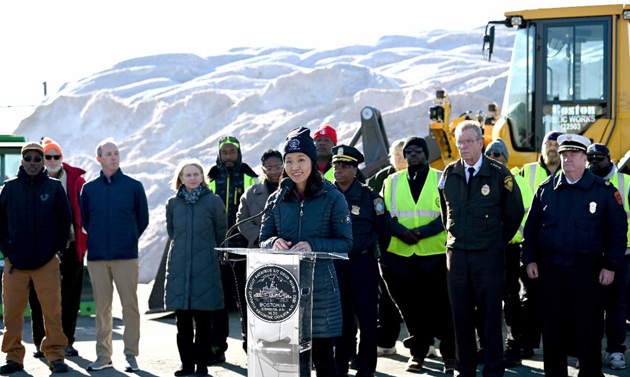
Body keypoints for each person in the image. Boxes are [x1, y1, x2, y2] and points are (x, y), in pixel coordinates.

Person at [523, 134, 627, 377]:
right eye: (563, 155)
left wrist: (611, 266)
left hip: (587, 272)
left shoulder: (603, 192)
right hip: (552, 272)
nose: (567, 159)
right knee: (553, 331)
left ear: (584, 158)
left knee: (588, 330)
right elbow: (531, 229)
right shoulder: (546, 190)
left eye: (573, 155)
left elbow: (617, 233)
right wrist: (529, 259)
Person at [260, 126, 353, 377]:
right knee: (290, 362)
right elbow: (263, 239)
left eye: (301, 159)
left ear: (312, 162)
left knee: (323, 360)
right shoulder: (277, 198)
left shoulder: (332, 196)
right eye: (288, 161)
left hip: (320, 289)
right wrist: (273, 243)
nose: (294, 166)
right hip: (284, 289)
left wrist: (313, 245)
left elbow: (345, 242)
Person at [439, 121, 524, 377]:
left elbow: (514, 213)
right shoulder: (449, 172)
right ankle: (465, 369)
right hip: (458, 255)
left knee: (490, 316)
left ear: (480, 143)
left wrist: (494, 239)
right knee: (461, 316)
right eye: (459, 142)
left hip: (488, 255)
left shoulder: (500, 174)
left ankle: (493, 369)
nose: (463, 147)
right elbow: (447, 213)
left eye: (467, 142)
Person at [380, 136, 456, 374]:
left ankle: (450, 356)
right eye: (408, 151)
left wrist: (421, 232)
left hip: (433, 255)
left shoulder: (441, 178)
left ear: (426, 154)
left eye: (418, 151)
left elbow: (449, 214)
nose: (413, 154)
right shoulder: (391, 181)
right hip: (400, 256)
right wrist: (401, 232)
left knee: (442, 308)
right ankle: (418, 353)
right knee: (411, 310)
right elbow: (383, 215)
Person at [0, 143, 72, 374]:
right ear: (22, 161)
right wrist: (7, 252)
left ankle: (56, 356)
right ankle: (13, 357)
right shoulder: (9, 189)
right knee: (11, 313)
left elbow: (65, 222)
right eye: (28, 159)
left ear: (43, 162)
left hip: (46, 262)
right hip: (15, 264)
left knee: (52, 312)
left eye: (37, 159)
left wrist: (56, 252)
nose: (32, 163)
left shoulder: (53, 188)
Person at [80, 138, 149, 372]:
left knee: (130, 306)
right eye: (108, 154)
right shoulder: (88, 189)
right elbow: (86, 221)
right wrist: (100, 239)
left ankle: (131, 354)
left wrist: (127, 238)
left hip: (126, 256)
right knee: (102, 308)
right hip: (98, 257)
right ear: (98, 158)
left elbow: (142, 219)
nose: (114, 157)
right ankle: (103, 356)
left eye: (116, 153)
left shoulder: (134, 186)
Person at [331, 145, 392, 377]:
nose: (339, 170)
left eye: (345, 166)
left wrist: (369, 252)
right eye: (336, 165)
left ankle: (366, 369)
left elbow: (384, 231)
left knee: (367, 319)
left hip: (363, 265)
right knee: (340, 320)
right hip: (335, 265)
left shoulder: (371, 198)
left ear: (355, 169)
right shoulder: (326, 195)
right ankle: (341, 367)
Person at [165, 159, 227, 376]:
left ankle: (201, 366)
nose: (192, 178)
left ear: (202, 177)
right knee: (182, 322)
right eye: (187, 175)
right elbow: (173, 232)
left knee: (203, 321)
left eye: (196, 174)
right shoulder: (173, 204)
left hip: (205, 268)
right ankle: (186, 365)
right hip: (179, 270)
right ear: (180, 178)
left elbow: (221, 233)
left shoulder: (213, 201)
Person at [28, 137, 87, 359]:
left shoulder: (76, 181)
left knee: (70, 297)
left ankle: (67, 342)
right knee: (39, 297)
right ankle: (40, 342)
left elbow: (86, 214)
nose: (52, 160)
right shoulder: (32, 181)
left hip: (71, 247)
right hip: (41, 250)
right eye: (47, 156)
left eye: (56, 156)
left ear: (62, 159)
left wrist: (84, 240)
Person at [207, 135, 258, 361]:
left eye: (232, 152)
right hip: (216, 250)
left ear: (239, 153)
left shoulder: (250, 178)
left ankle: (251, 349)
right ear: (219, 154)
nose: (229, 156)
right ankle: (217, 348)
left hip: (242, 250)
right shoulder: (210, 178)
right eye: (225, 152)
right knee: (217, 302)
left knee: (245, 300)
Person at [483, 139, 533, 368]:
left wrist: (507, 236)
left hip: (510, 250)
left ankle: (513, 348)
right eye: (490, 153)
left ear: (506, 158)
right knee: (482, 301)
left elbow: (528, 218)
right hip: (482, 250)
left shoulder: (521, 182)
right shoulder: (476, 180)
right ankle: (485, 346)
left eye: (498, 153)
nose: (494, 156)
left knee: (511, 299)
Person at [517, 130, 562, 358]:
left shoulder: (573, 171)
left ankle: (562, 344)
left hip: (561, 247)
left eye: (557, 144)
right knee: (530, 298)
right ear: (542, 147)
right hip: (532, 244)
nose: (553, 148)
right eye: (549, 143)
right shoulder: (527, 171)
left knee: (561, 299)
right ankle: (528, 343)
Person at [586, 143, 630, 370]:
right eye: (590, 157)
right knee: (589, 305)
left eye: (599, 158)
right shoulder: (584, 181)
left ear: (609, 159)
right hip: (589, 255)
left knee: (616, 305)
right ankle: (589, 351)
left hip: (621, 255)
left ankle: (615, 351)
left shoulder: (626, 182)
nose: (593, 161)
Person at [366, 138, 407, 357]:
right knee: (388, 299)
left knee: (420, 299)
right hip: (389, 247)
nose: (401, 159)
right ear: (390, 157)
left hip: (421, 248)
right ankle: (386, 342)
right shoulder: (379, 179)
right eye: (397, 154)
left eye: (404, 154)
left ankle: (424, 344)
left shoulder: (423, 177)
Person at [237, 149, 283, 248]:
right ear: (263, 170)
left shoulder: (295, 190)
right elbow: (242, 220)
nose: (274, 172)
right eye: (269, 168)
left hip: (289, 247)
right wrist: (263, 238)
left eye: (278, 167)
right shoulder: (251, 194)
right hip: (259, 249)